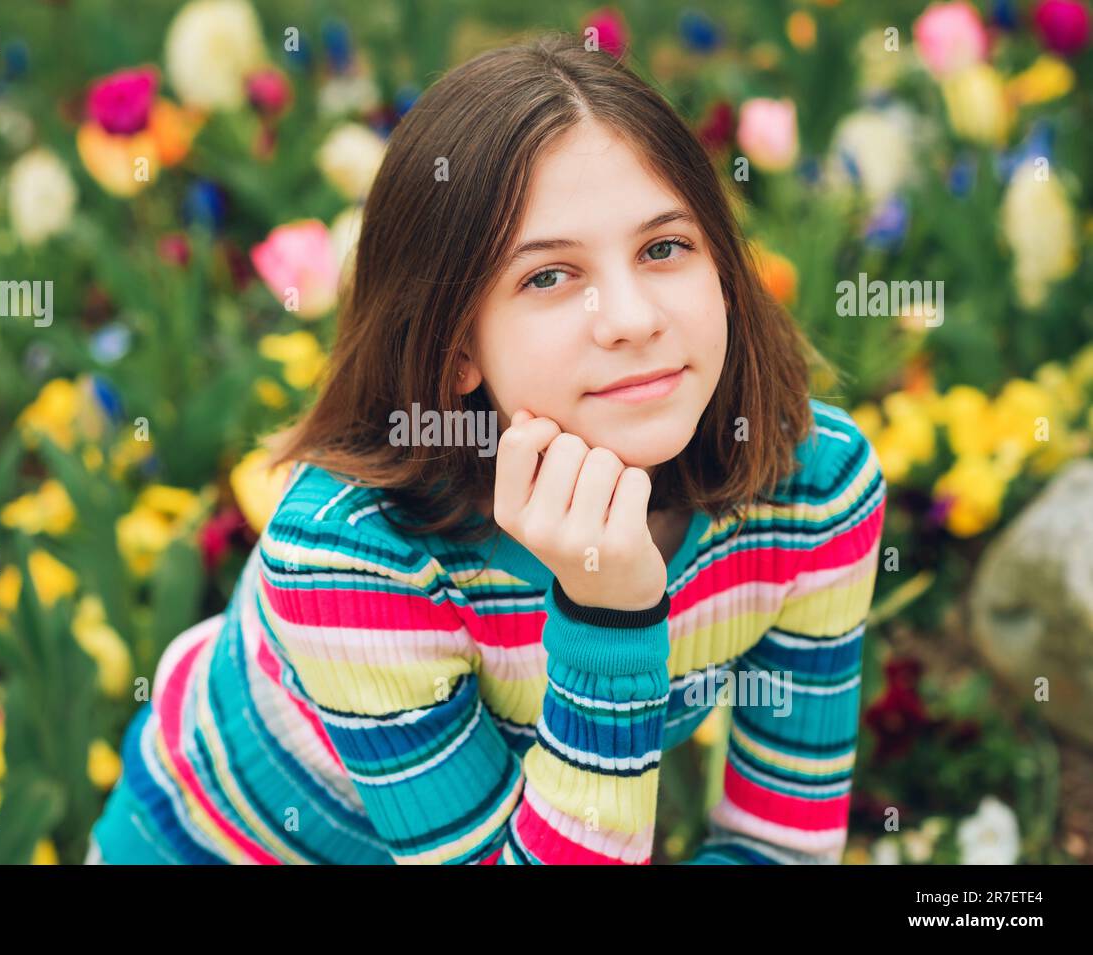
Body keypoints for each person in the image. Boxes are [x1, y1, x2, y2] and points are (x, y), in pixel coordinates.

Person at [87, 31, 887, 866]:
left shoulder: (816, 491)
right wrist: (606, 614)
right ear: (455, 347)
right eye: (549, 276)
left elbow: (780, 848)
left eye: (664, 248)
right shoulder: (356, 554)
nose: (632, 317)